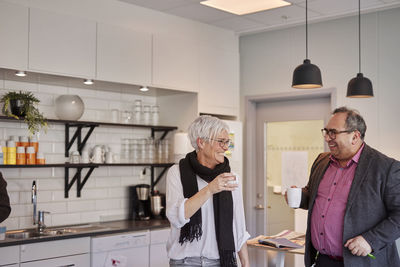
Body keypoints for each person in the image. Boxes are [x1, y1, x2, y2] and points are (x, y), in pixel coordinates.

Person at [292, 106, 400, 267]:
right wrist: (299, 196)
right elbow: (314, 197)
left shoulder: (386, 168)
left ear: (355, 136)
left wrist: (370, 240)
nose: (327, 138)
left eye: (333, 133)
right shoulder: (321, 161)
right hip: (322, 261)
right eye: (326, 132)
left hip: (363, 262)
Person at [166, 115, 250, 267]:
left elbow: (239, 227)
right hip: (185, 263)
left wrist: (246, 263)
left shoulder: (231, 177)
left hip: (220, 262)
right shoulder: (176, 173)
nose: (225, 147)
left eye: (227, 142)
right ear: (201, 142)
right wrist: (210, 189)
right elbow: (177, 216)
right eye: (221, 141)